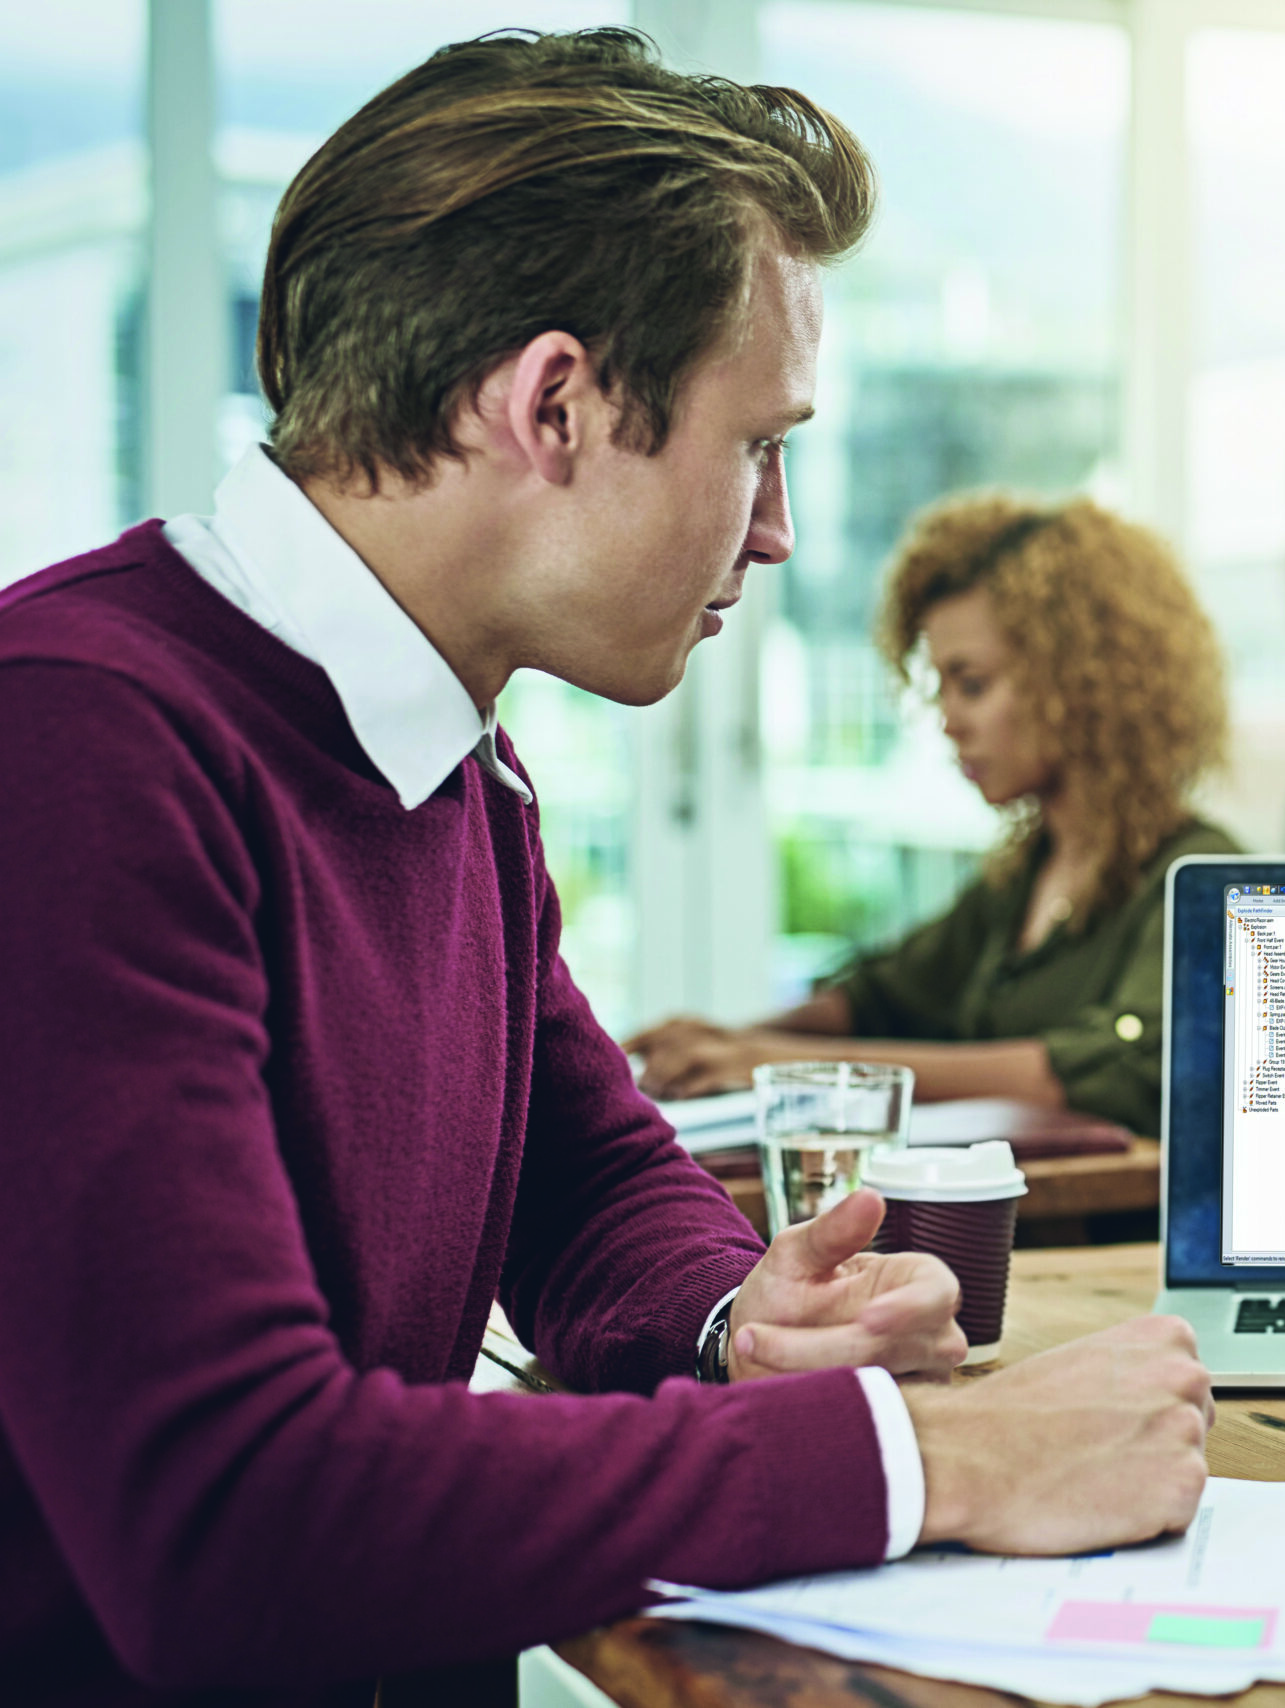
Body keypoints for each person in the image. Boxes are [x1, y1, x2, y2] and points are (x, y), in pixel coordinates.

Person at [0, 32, 1211, 1701]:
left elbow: (582, 1175)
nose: (777, 527)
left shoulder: (447, 754)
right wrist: (938, 1462)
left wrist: (744, 1319)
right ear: (553, 404)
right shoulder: (76, 747)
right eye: (757, 444)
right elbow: (229, 1516)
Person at [625, 492, 1239, 1134]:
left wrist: (770, 1062)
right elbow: (882, 996)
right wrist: (724, 1044)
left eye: (972, 684)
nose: (949, 721)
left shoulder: (1198, 876)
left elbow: (1101, 1069)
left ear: (1081, 682)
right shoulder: (1028, 875)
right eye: (940, 686)